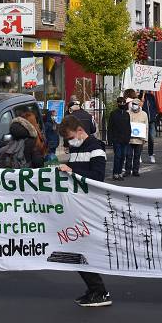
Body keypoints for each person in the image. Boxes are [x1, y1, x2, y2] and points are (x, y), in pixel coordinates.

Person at [57, 115, 111, 307]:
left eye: (71, 136)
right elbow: (75, 169)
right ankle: (94, 289)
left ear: (80, 131)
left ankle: (100, 291)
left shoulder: (96, 147)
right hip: (77, 204)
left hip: (89, 206)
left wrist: (72, 172)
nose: (69, 141)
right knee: (77, 247)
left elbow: (97, 177)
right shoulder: (76, 147)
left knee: (80, 247)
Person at [107, 97, 131, 180]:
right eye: (120, 102)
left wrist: (128, 138)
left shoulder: (126, 114)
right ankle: (115, 173)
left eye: (123, 102)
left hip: (125, 139)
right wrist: (110, 140)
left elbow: (128, 127)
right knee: (118, 156)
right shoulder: (113, 113)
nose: (122, 104)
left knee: (123, 156)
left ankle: (120, 172)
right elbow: (110, 127)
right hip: (116, 139)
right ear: (117, 103)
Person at [127, 98, 148, 177]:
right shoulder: (128, 113)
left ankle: (135, 170)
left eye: (136, 104)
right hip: (129, 139)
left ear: (139, 105)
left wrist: (145, 139)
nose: (134, 106)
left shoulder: (144, 114)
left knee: (137, 155)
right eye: (133, 104)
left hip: (139, 139)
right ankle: (128, 171)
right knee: (128, 156)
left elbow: (146, 127)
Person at [142, 90, 160, 164]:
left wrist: (155, 114)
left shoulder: (151, 96)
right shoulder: (140, 96)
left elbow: (155, 106)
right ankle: (138, 154)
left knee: (151, 138)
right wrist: (142, 95)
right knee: (142, 138)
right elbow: (140, 106)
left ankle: (151, 154)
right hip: (143, 121)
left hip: (151, 120)